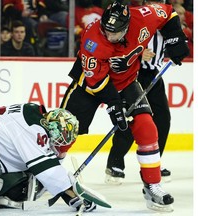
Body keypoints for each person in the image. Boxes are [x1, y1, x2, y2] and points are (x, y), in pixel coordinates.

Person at [60, 1, 189, 212]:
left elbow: (167, 13)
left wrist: (176, 39)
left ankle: (152, 185)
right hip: (90, 86)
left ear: (128, 26)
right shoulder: (93, 38)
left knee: (147, 128)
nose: (110, 37)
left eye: (116, 33)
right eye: (107, 31)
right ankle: (45, 174)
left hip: (126, 82)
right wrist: (114, 107)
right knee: (64, 130)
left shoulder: (143, 17)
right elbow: (97, 81)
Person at [105, 0, 172, 185]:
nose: (157, 4)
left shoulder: (168, 20)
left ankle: (154, 163)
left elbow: (177, 39)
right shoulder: (136, 17)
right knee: (132, 118)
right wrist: (138, 53)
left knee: (163, 119)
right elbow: (119, 43)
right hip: (134, 74)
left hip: (155, 75)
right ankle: (115, 164)